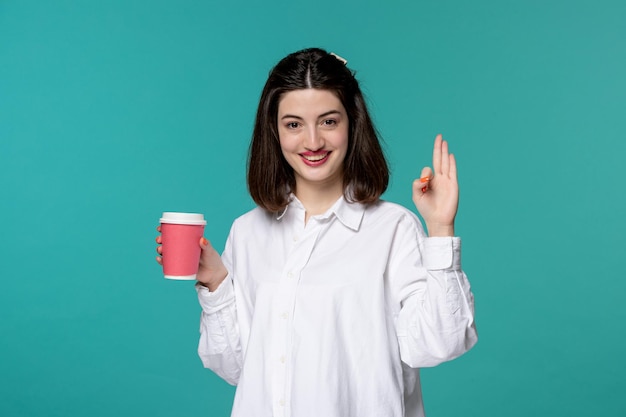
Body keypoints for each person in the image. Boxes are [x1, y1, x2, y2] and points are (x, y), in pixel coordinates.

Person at [156, 47, 477, 417]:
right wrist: (215, 284)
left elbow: (439, 343)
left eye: (328, 121)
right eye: (294, 124)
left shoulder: (393, 229)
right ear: (274, 132)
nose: (312, 142)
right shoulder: (247, 233)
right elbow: (237, 369)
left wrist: (439, 229)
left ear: (352, 124)